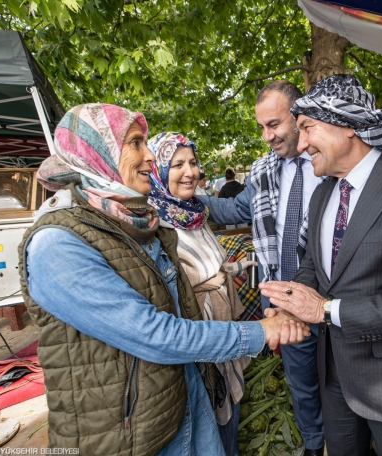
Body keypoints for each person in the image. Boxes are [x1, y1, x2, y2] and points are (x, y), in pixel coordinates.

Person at [20, 103, 309, 455]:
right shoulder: (58, 244)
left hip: (184, 398)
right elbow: (155, 333)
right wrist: (262, 332)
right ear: (97, 155)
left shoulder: (135, 222)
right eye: (136, 144)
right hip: (130, 432)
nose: (149, 158)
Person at [260, 74, 382, 456]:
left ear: (349, 125)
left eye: (307, 128)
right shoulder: (323, 193)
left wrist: (323, 309)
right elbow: (315, 267)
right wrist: (291, 304)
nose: (301, 144)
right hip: (334, 371)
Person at [198, 80, 326, 456]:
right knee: (301, 383)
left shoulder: (329, 159)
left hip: (333, 297)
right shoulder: (264, 170)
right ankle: (315, 445)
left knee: (343, 381)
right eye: (262, 128)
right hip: (283, 302)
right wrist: (191, 200)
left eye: (274, 124)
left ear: (299, 116)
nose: (267, 136)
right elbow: (238, 210)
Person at [147, 131, 259, 456]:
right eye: (177, 164)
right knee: (204, 435)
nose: (190, 172)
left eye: (193, 162)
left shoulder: (196, 213)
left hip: (225, 341)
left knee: (228, 426)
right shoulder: (154, 226)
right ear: (158, 171)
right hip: (195, 351)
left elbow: (215, 268)